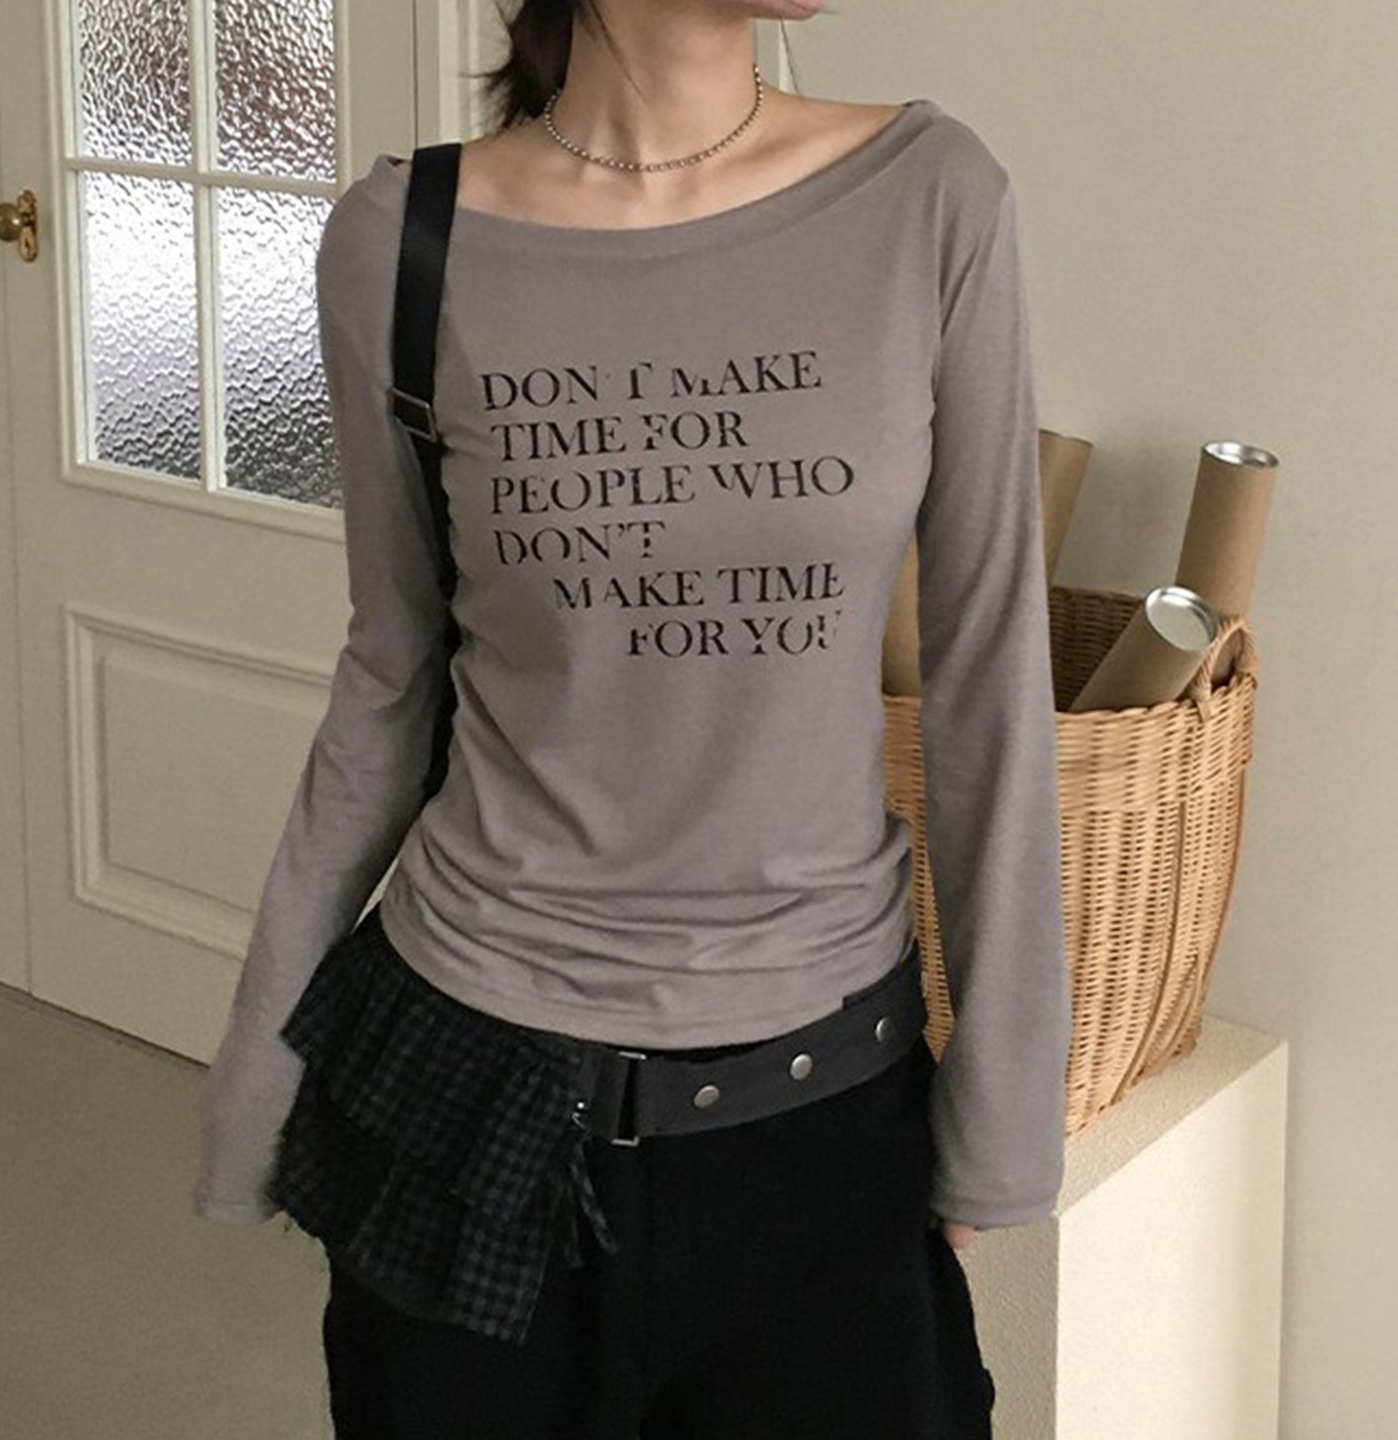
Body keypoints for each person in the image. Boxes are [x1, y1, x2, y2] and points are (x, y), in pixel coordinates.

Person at [191, 1, 1072, 1435]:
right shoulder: (403, 242)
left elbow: (987, 663)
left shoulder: (928, 197)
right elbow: (394, 669)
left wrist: (1005, 1104)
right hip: (462, 1100)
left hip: (823, 1112)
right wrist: (261, 1059)